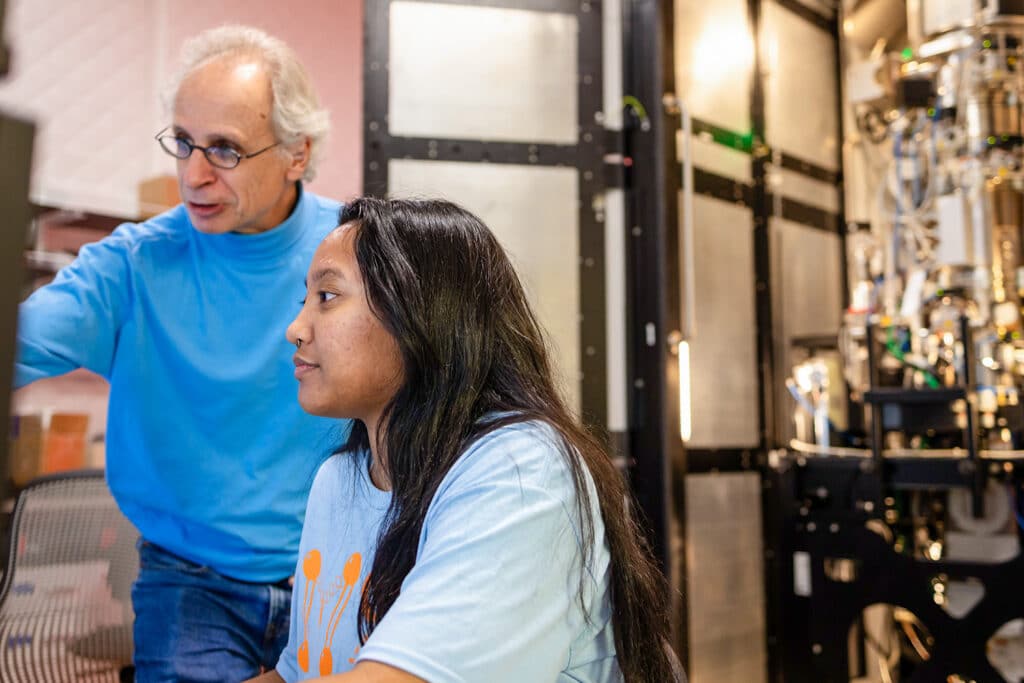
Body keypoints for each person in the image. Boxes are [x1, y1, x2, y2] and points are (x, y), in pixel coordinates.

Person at [14, 25, 349, 682]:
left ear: (296, 152)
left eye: (224, 149)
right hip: (192, 583)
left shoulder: (356, 251)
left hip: (339, 566)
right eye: (184, 143)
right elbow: (19, 338)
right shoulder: (133, 266)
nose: (193, 174)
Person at [250, 197, 676, 683]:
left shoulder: (521, 472)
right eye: (303, 300)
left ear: (420, 314)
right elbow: (296, 672)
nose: (295, 329)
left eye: (327, 297)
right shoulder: (338, 479)